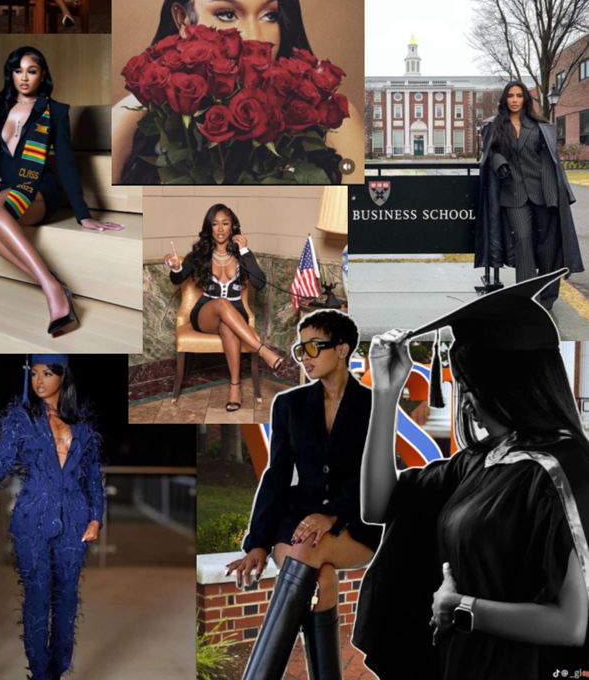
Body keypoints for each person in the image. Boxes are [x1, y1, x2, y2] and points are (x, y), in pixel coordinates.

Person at [354, 273, 589, 679]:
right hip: (462, 664)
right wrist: (385, 393)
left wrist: (461, 609)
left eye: (467, 386)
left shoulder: (565, 470)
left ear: (503, 384)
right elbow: (378, 506)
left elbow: (572, 624)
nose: (466, 402)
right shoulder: (484, 461)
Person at [112, 0, 364, 185]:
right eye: (227, 14)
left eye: (270, 15)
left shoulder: (331, 118)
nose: (256, 37)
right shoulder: (131, 118)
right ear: (182, 19)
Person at [226, 310, 380, 679]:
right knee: (322, 581)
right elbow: (276, 474)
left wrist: (334, 516)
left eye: (314, 346)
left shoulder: (373, 406)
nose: (305, 356)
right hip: (295, 518)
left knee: (310, 551)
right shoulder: (289, 405)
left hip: (355, 521)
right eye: (300, 348)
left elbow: (373, 476)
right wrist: (258, 543)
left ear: (341, 349)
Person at [0, 354, 105, 680]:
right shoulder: (21, 420)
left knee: (66, 601)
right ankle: (40, 674)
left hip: (75, 522)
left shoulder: (83, 428)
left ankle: (58, 668)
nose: (39, 381)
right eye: (34, 373)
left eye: (47, 373)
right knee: (37, 599)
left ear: (63, 377)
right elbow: (2, 459)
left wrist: (95, 518)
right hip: (32, 519)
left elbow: (93, 476)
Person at [0, 45, 123, 336]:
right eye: (18, 71)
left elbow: (68, 163)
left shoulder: (54, 111)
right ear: (10, 74)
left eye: (31, 71)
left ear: (42, 74)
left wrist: (83, 215)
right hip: (7, 193)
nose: (24, 77)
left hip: (38, 190)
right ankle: (50, 281)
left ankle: (51, 290)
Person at [475, 80, 583, 307]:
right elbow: (489, 152)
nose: (514, 100)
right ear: (505, 99)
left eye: (519, 95)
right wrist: (498, 161)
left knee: (548, 246)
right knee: (523, 241)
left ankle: (548, 297)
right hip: (513, 194)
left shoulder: (540, 126)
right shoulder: (496, 126)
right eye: (510, 96)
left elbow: (550, 161)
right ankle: (526, 301)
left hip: (544, 192)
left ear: (525, 99)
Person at [165, 203, 281, 411]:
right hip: (205, 314)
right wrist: (176, 267)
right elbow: (178, 279)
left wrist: (244, 251)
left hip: (235, 316)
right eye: (215, 224)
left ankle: (234, 388)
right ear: (209, 228)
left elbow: (260, 284)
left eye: (225, 224)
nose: (220, 229)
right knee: (221, 303)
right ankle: (263, 351)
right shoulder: (199, 253)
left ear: (233, 227)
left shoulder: (243, 255)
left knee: (228, 326)